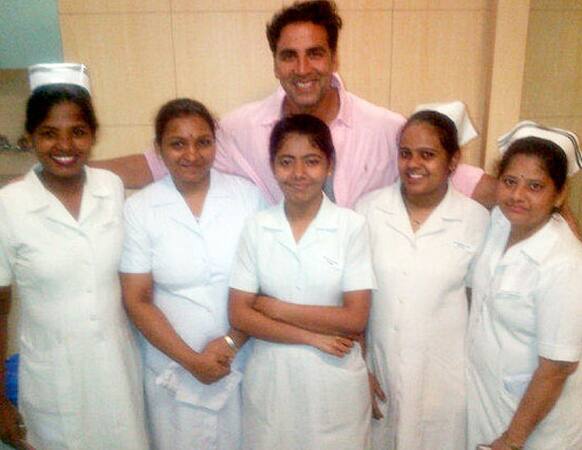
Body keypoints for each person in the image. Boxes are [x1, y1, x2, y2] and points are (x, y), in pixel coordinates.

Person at [92, 0, 497, 209]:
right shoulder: (242, 128)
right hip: (277, 298)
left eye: (315, 53)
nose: (302, 69)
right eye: (289, 55)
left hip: (356, 300)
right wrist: (70, 170)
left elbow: (455, 174)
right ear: (275, 63)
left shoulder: (383, 127)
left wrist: (541, 203)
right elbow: (160, 161)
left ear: (334, 58)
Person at [0, 64, 149, 450]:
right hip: (54, 381)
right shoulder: (9, 205)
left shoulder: (111, 188)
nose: (65, 146)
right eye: (49, 133)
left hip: (117, 371)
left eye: (78, 132)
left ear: (93, 135)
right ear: (31, 137)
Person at [120, 98, 264, 450]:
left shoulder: (247, 196)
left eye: (203, 141)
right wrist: (191, 360)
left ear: (216, 143)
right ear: (159, 149)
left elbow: (265, 283)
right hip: (172, 366)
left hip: (241, 357)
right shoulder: (140, 209)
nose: (192, 154)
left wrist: (231, 343)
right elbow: (136, 300)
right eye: (177, 143)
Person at [228, 114, 376, 449]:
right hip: (272, 382)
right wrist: (312, 337)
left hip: (333, 382)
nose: (298, 174)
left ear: (329, 165)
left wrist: (273, 308)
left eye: (311, 161)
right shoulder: (257, 227)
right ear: (273, 166)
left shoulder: (351, 227)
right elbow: (239, 315)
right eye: (286, 162)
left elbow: (355, 318)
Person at [355, 102, 489, 450]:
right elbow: (354, 299)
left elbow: (480, 308)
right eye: (405, 153)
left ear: (453, 161)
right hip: (379, 374)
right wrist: (360, 370)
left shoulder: (476, 221)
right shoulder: (368, 211)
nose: (413, 164)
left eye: (427, 154)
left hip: (444, 384)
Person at [466, 121, 582, 450]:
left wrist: (512, 439)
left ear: (559, 194)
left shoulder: (565, 263)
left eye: (535, 187)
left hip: (536, 429)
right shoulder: (499, 223)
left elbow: (558, 366)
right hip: (490, 405)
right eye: (510, 182)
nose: (517, 195)